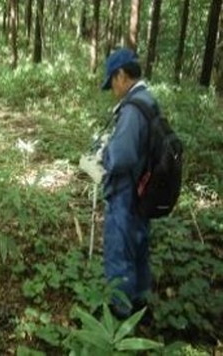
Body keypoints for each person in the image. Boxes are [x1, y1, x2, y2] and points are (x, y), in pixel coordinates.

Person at [81, 48, 159, 319]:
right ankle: (140, 305)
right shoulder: (148, 100)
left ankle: (120, 315)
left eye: (112, 81)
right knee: (137, 250)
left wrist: (104, 156)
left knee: (119, 253)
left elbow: (123, 156)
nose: (112, 88)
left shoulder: (132, 109)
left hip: (126, 194)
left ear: (121, 75)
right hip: (143, 193)